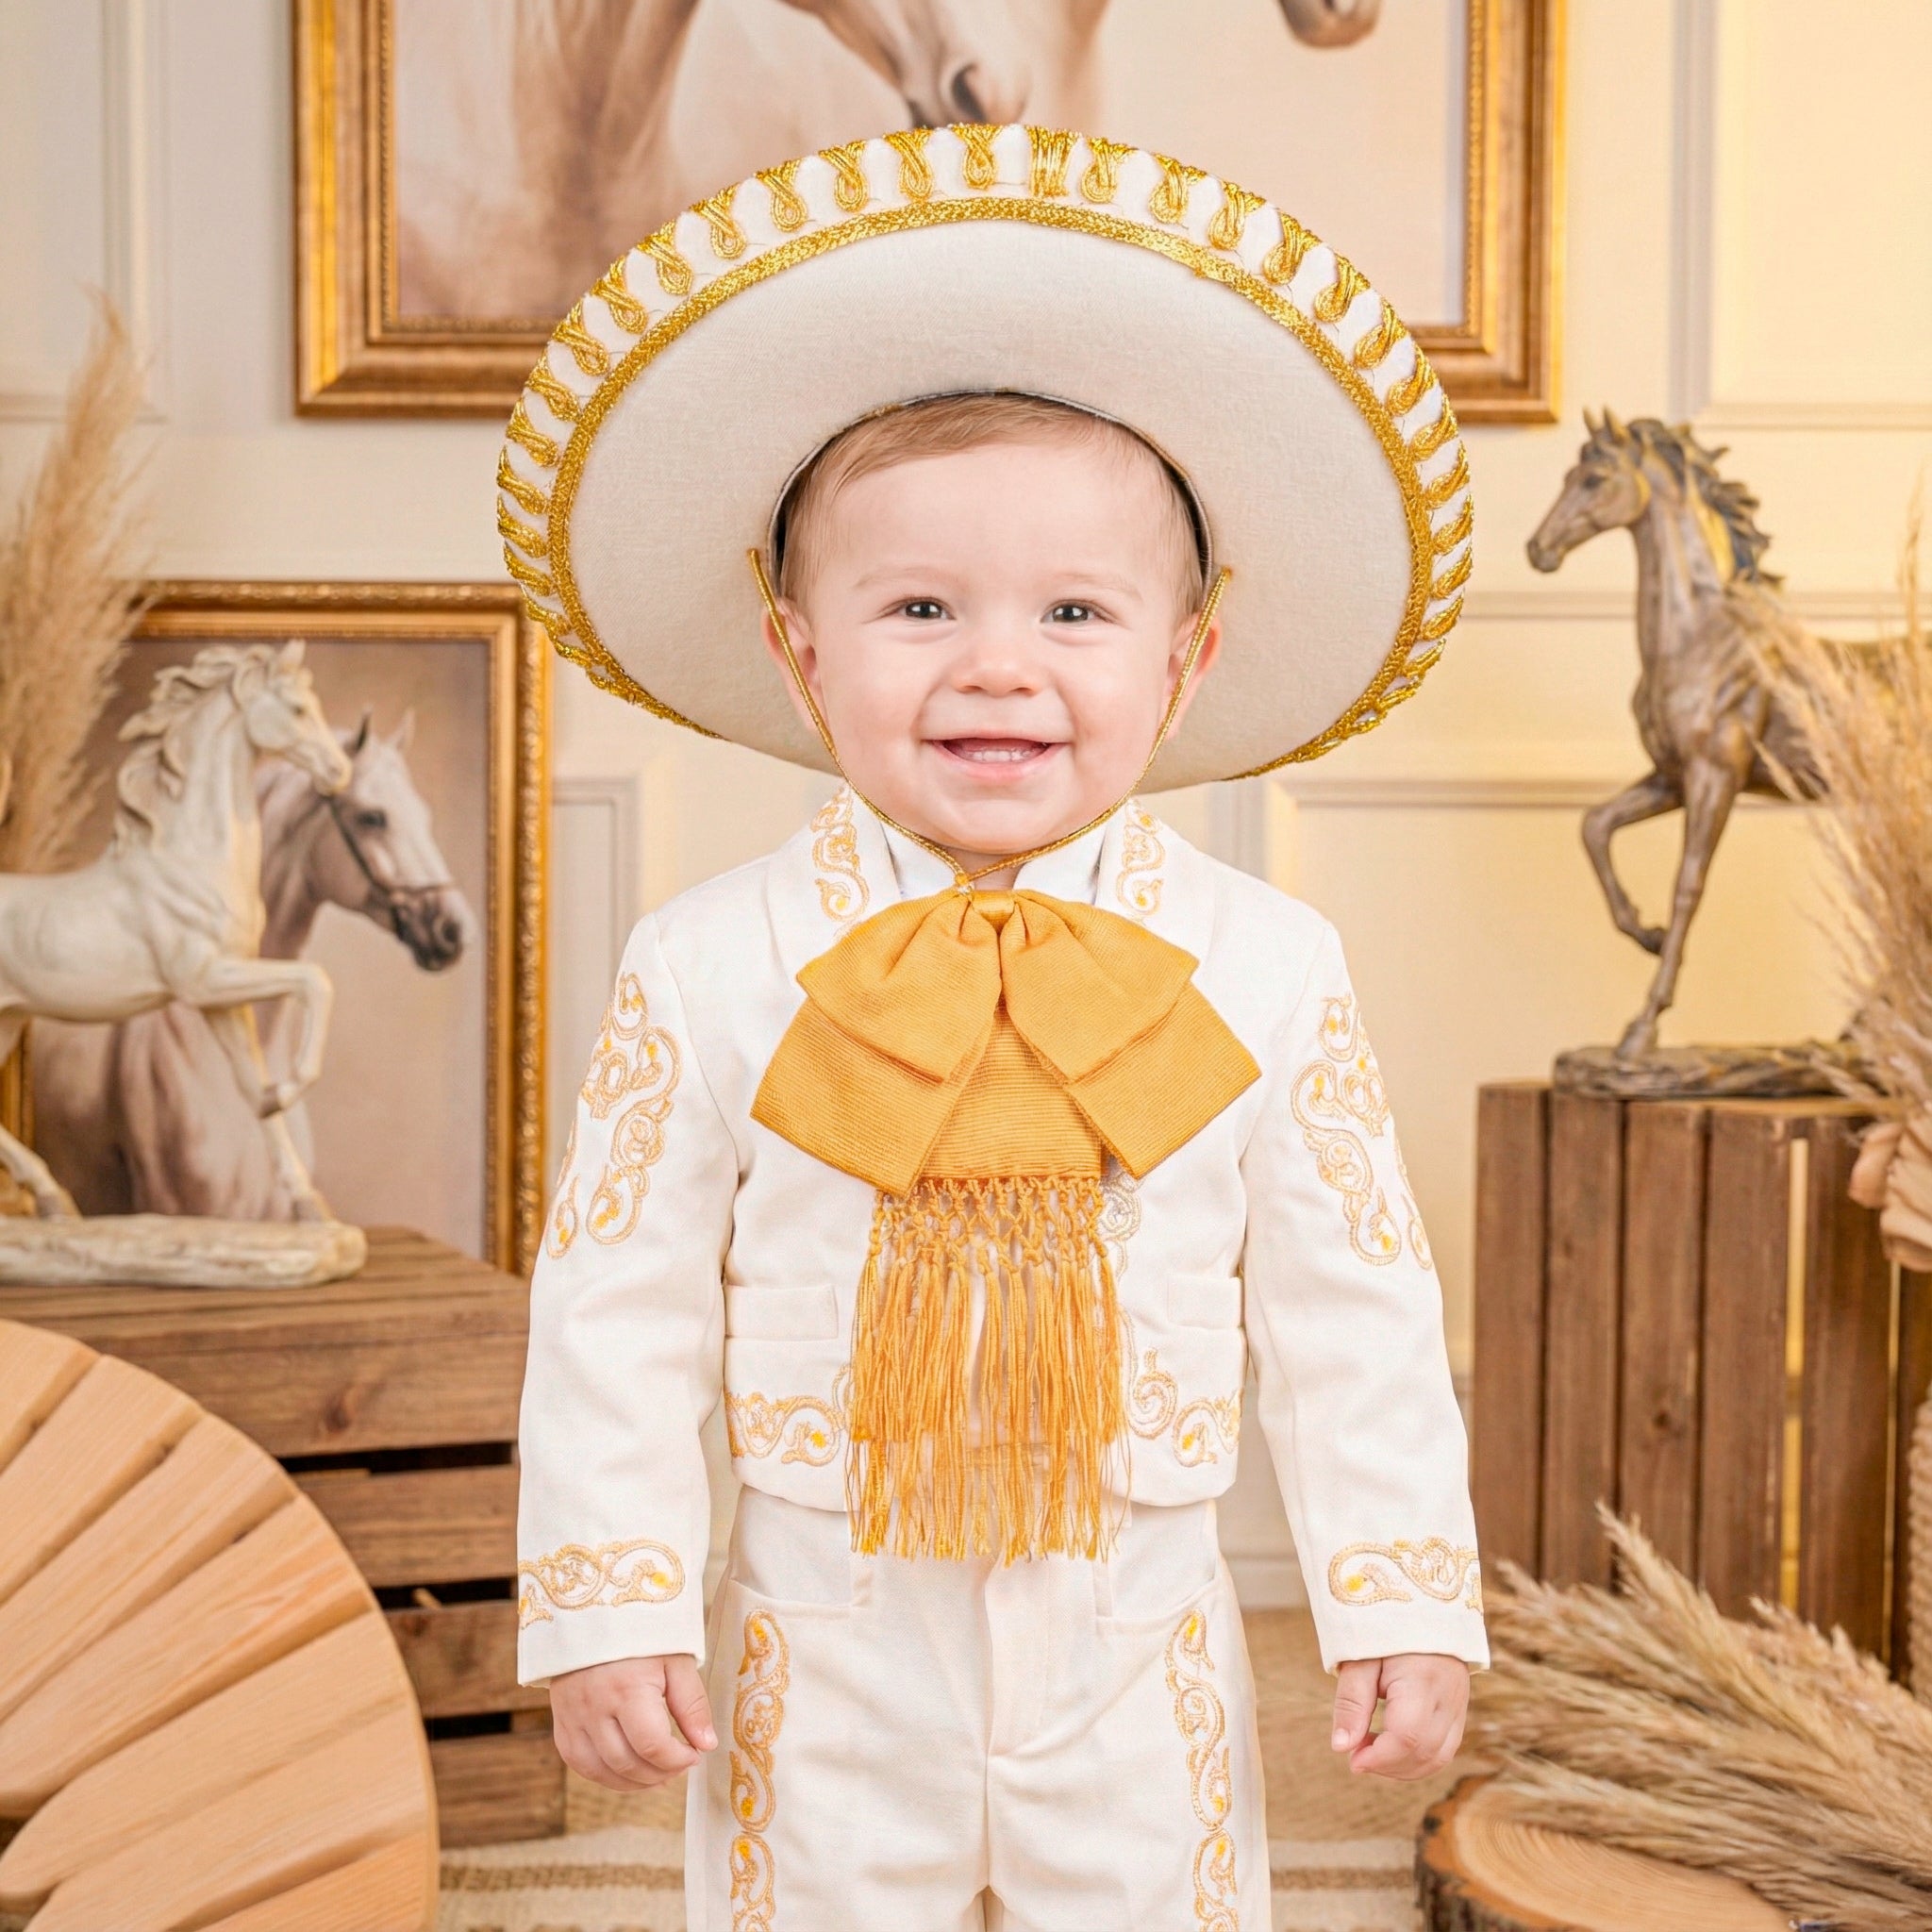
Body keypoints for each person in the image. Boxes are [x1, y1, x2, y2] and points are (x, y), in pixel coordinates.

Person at [504, 124, 1483, 1931]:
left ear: (1186, 659)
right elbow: (616, 1300)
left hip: (1138, 1608)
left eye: (1078, 614)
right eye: (921, 608)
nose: (998, 665)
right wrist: (614, 1602)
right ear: (801, 650)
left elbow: (1355, 1304)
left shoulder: (1268, 962)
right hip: (824, 1604)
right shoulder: (706, 962)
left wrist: (1398, 1594)